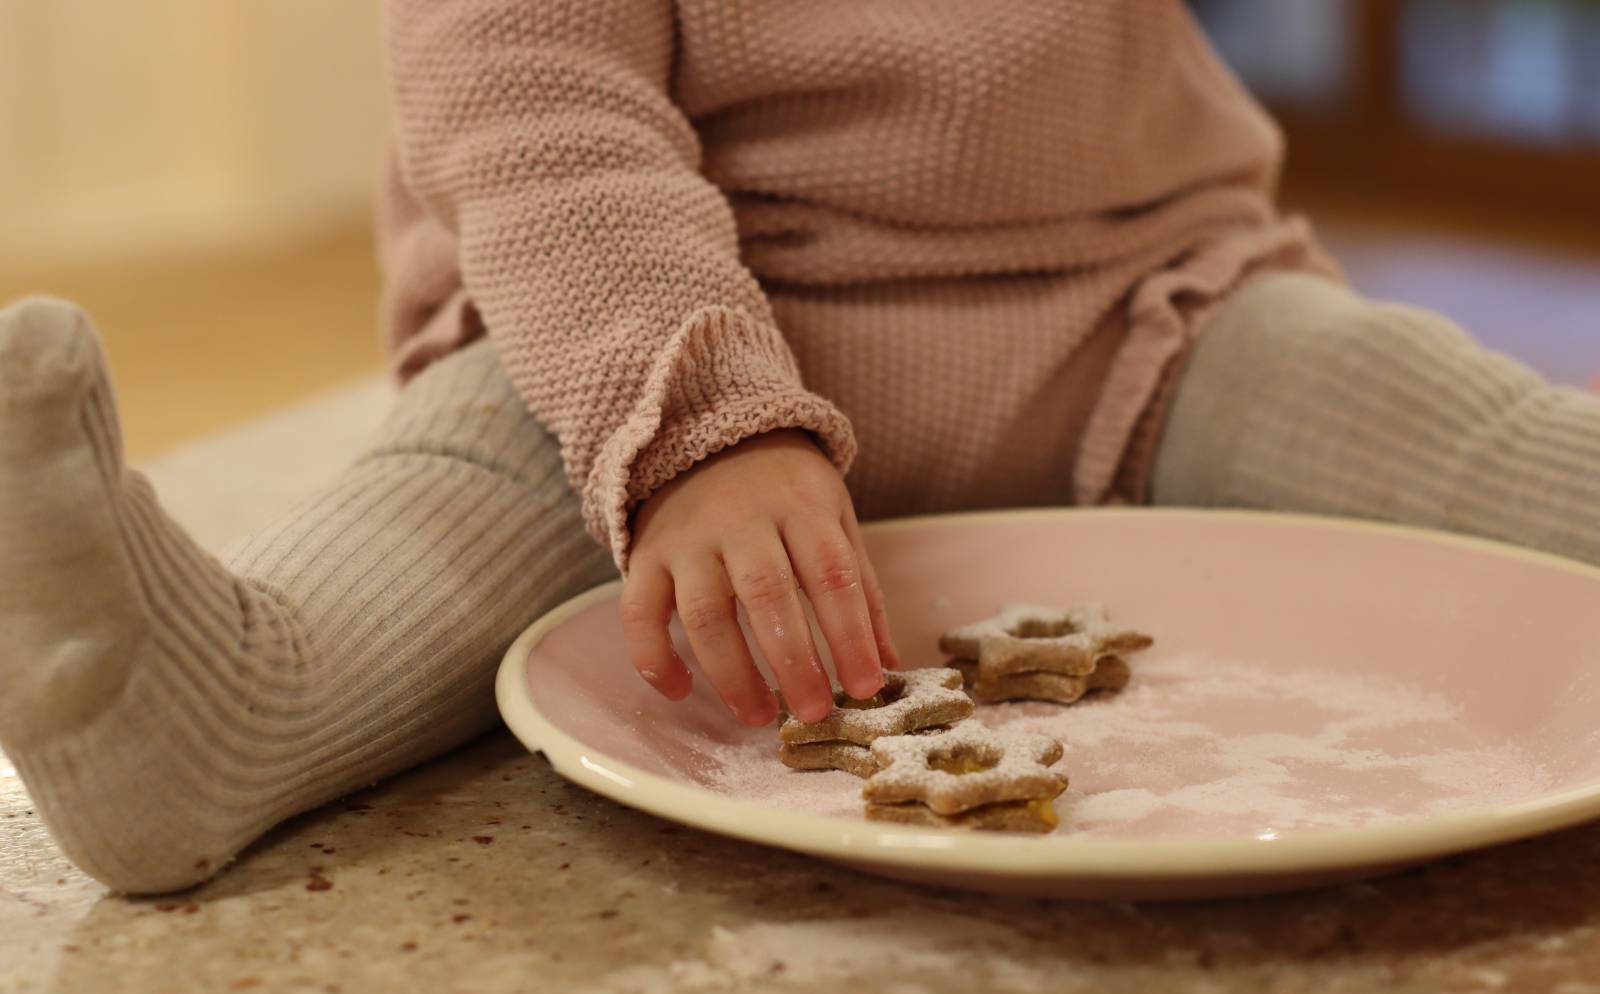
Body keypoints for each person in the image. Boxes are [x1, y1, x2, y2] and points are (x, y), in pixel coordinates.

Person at [3, 0, 1597, 894]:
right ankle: (178, 713)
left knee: (1464, 435)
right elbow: (533, 107)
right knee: (416, 551)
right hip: (646, 356)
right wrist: (695, 428)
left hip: (1125, 313)